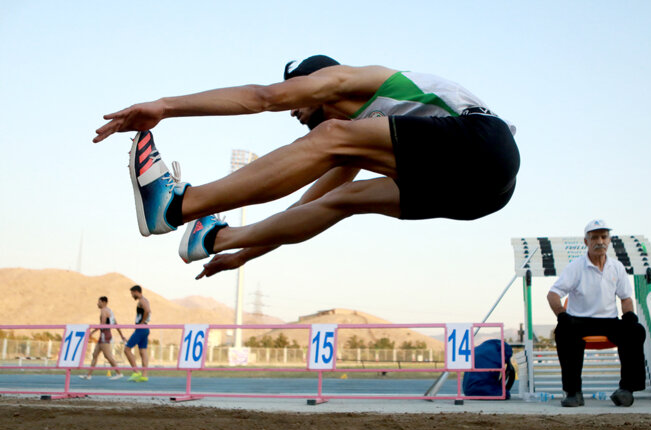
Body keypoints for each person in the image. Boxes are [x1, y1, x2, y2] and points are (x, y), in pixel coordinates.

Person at [93, 55, 520, 278]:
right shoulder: (360, 140)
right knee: (342, 198)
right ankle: (217, 237)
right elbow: (308, 205)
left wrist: (165, 107)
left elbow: (262, 97)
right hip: (482, 195)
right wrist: (243, 255)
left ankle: (179, 205)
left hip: (485, 145)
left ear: (313, 83)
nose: (294, 113)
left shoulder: (351, 80)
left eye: (298, 101)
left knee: (329, 140)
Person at [546, 220, 647, 407]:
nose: (599, 241)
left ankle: (626, 390)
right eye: (594, 237)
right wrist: (562, 315)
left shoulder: (617, 267)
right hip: (579, 321)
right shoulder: (575, 267)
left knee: (636, 330)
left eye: (603, 236)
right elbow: (553, 294)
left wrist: (629, 316)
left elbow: (626, 298)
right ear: (586, 242)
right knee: (563, 331)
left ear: (609, 240)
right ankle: (573, 392)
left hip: (609, 320)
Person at [79, 296, 126, 380]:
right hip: (104, 335)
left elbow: (102, 325)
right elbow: (116, 324)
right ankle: (88, 375)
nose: (98, 303)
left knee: (108, 356)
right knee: (95, 354)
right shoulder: (110, 311)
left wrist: (92, 332)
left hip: (105, 335)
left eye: (99, 302)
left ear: (103, 302)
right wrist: (121, 335)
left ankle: (119, 373)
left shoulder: (104, 311)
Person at [124, 285, 151, 382]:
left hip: (141, 329)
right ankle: (144, 375)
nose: (132, 295)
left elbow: (147, 311)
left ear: (136, 292)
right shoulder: (145, 300)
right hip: (145, 329)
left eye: (132, 293)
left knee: (127, 349)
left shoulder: (142, 301)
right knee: (143, 351)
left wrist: (141, 322)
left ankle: (136, 372)